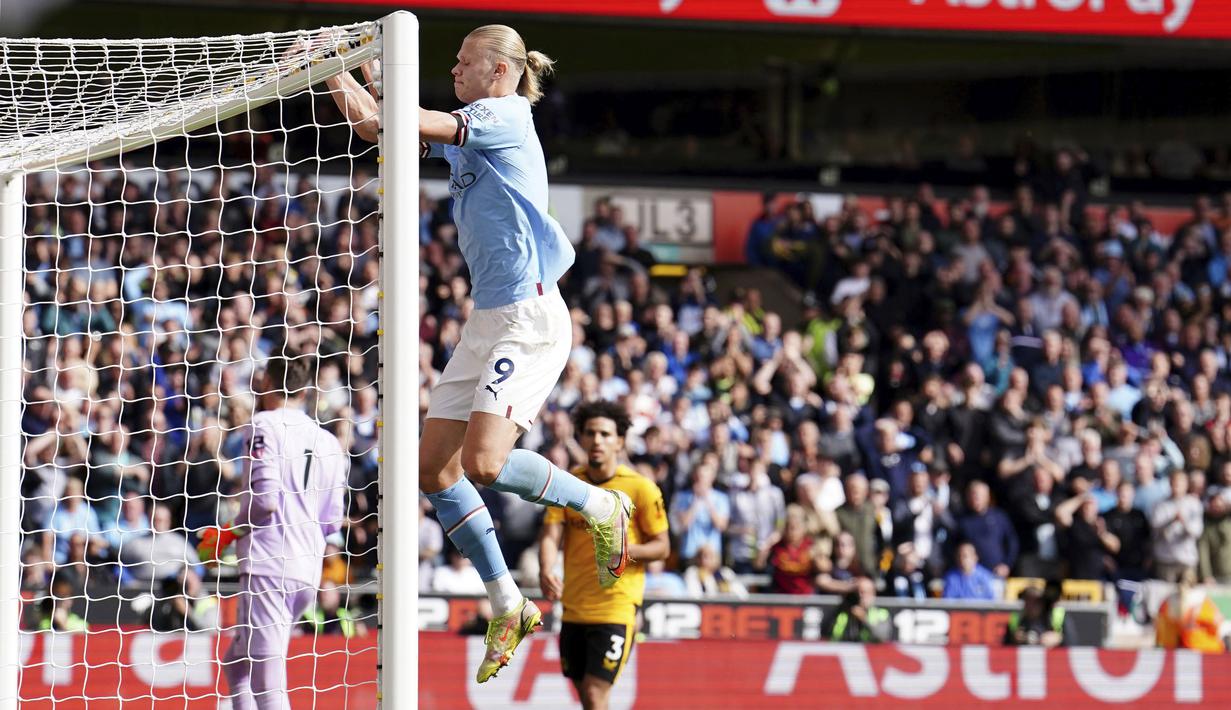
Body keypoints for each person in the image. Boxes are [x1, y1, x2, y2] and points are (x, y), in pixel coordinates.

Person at [327, 24, 634, 683]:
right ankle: (506, 599)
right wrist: (333, 73)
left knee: (485, 463)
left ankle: (597, 504)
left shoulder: (502, 112)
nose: (454, 69)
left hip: (526, 314)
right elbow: (378, 129)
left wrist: (346, 68)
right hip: (487, 319)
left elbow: (392, 114)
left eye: (465, 62)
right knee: (431, 468)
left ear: (498, 70)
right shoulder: (475, 119)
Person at [201, 354, 348, 710]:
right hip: (307, 570)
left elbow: (265, 500)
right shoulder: (328, 441)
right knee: (238, 662)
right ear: (306, 390)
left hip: (270, 563)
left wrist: (228, 534)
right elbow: (333, 519)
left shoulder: (263, 424)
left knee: (268, 685)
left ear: (267, 381)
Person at [538, 401, 669, 710]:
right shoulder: (567, 484)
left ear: (620, 441)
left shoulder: (640, 488)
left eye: (605, 434)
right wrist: (546, 568)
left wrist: (624, 551)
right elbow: (551, 532)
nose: (597, 440)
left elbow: (662, 547)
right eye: (590, 433)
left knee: (596, 692)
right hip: (573, 606)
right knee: (587, 695)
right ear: (581, 438)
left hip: (616, 608)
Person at [824, 577, 891, 643]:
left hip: (870, 652)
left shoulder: (882, 614)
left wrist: (864, 619)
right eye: (857, 592)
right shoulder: (842, 612)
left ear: (873, 593)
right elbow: (827, 634)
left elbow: (882, 637)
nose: (860, 596)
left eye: (865, 592)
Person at [1004, 586, 1070, 648]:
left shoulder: (1057, 617)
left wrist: (1059, 638)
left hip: (1052, 658)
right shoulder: (1017, 619)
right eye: (1028, 601)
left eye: (1036, 601)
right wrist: (1014, 638)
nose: (1031, 606)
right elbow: (1004, 646)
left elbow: (1074, 644)